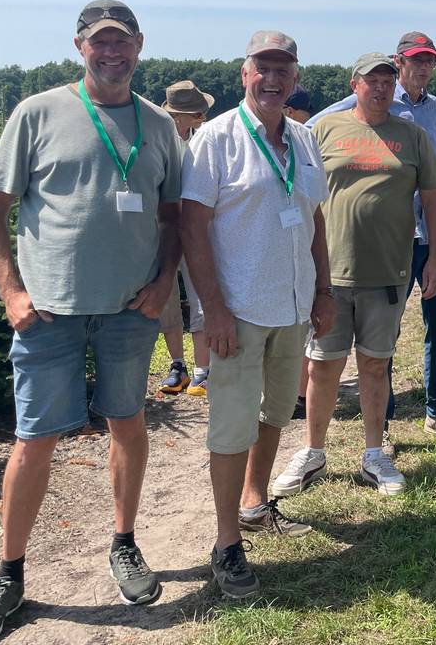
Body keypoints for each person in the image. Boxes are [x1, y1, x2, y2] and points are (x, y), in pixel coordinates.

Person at [0, 0, 182, 644]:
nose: (112, 52)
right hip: (47, 315)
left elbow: (173, 218)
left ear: (139, 45)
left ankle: (124, 543)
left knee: (128, 423)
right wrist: (12, 292)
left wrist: (164, 281)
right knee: (34, 440)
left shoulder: (160, 124)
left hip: (127, 313)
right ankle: (8, 575)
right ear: (80, 47)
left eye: (122, 41)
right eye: (99, 41)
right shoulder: (39, 113)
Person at [181, 31, 334, 598]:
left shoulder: (303, 138)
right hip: (238, 312)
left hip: (293, 306)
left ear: (296, 78)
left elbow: (312, 216)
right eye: (262, 69)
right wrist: (211, 310)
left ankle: (254, 503)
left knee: (274, 414)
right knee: (231, 425)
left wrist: (322, 290)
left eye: (284, 70)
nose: (273, 80)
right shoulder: (216, 140)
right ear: (243, 74)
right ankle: (226, 545)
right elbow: (192, 227)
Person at [273, 53, 436, 499]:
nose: (382, 88)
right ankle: (313, 450)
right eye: (373, 81)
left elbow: (433, 198)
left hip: (388, 272)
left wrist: (434, 260)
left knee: (375, 364)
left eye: (388, 81)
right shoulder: (323, 131)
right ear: (355, 84)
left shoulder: (412, 136)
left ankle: (375, 453)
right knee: (323, 366)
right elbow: (299, 192)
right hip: (329, 274)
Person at [305, 31, 436, 447]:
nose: (422, 68)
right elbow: (312, 130)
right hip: (392, 239)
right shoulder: (372, 103)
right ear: (399, 64)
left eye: (429, 61)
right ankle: (385, 422)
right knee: (386, 333)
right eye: (416, 60)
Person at [155, 80, 214, 397]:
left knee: (200, 294)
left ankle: (202, 371)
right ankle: (176, 364)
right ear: (183, 116)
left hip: (195, 229)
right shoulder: (156, 141)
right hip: (163, 228)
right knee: (167, 299)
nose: (202, 117)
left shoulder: (203, 141)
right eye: (197, 113)